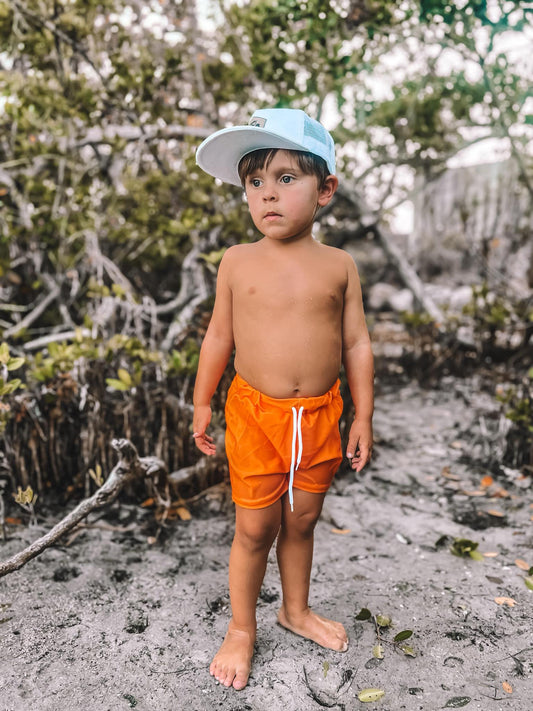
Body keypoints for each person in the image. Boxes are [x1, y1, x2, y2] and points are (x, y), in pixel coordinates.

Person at [193, 108, 374, 691]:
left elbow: (356, 342)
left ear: (325, 190)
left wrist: (363, 416)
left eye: (286, 179)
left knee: (302, 521)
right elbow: (219, 336)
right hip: (254, 415)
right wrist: (201, 403)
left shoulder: (339, 266)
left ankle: (293, 610)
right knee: (254, 528)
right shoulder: (237, 261)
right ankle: (241, 628)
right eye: (255, 182)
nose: (267, 195)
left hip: (320, 415)